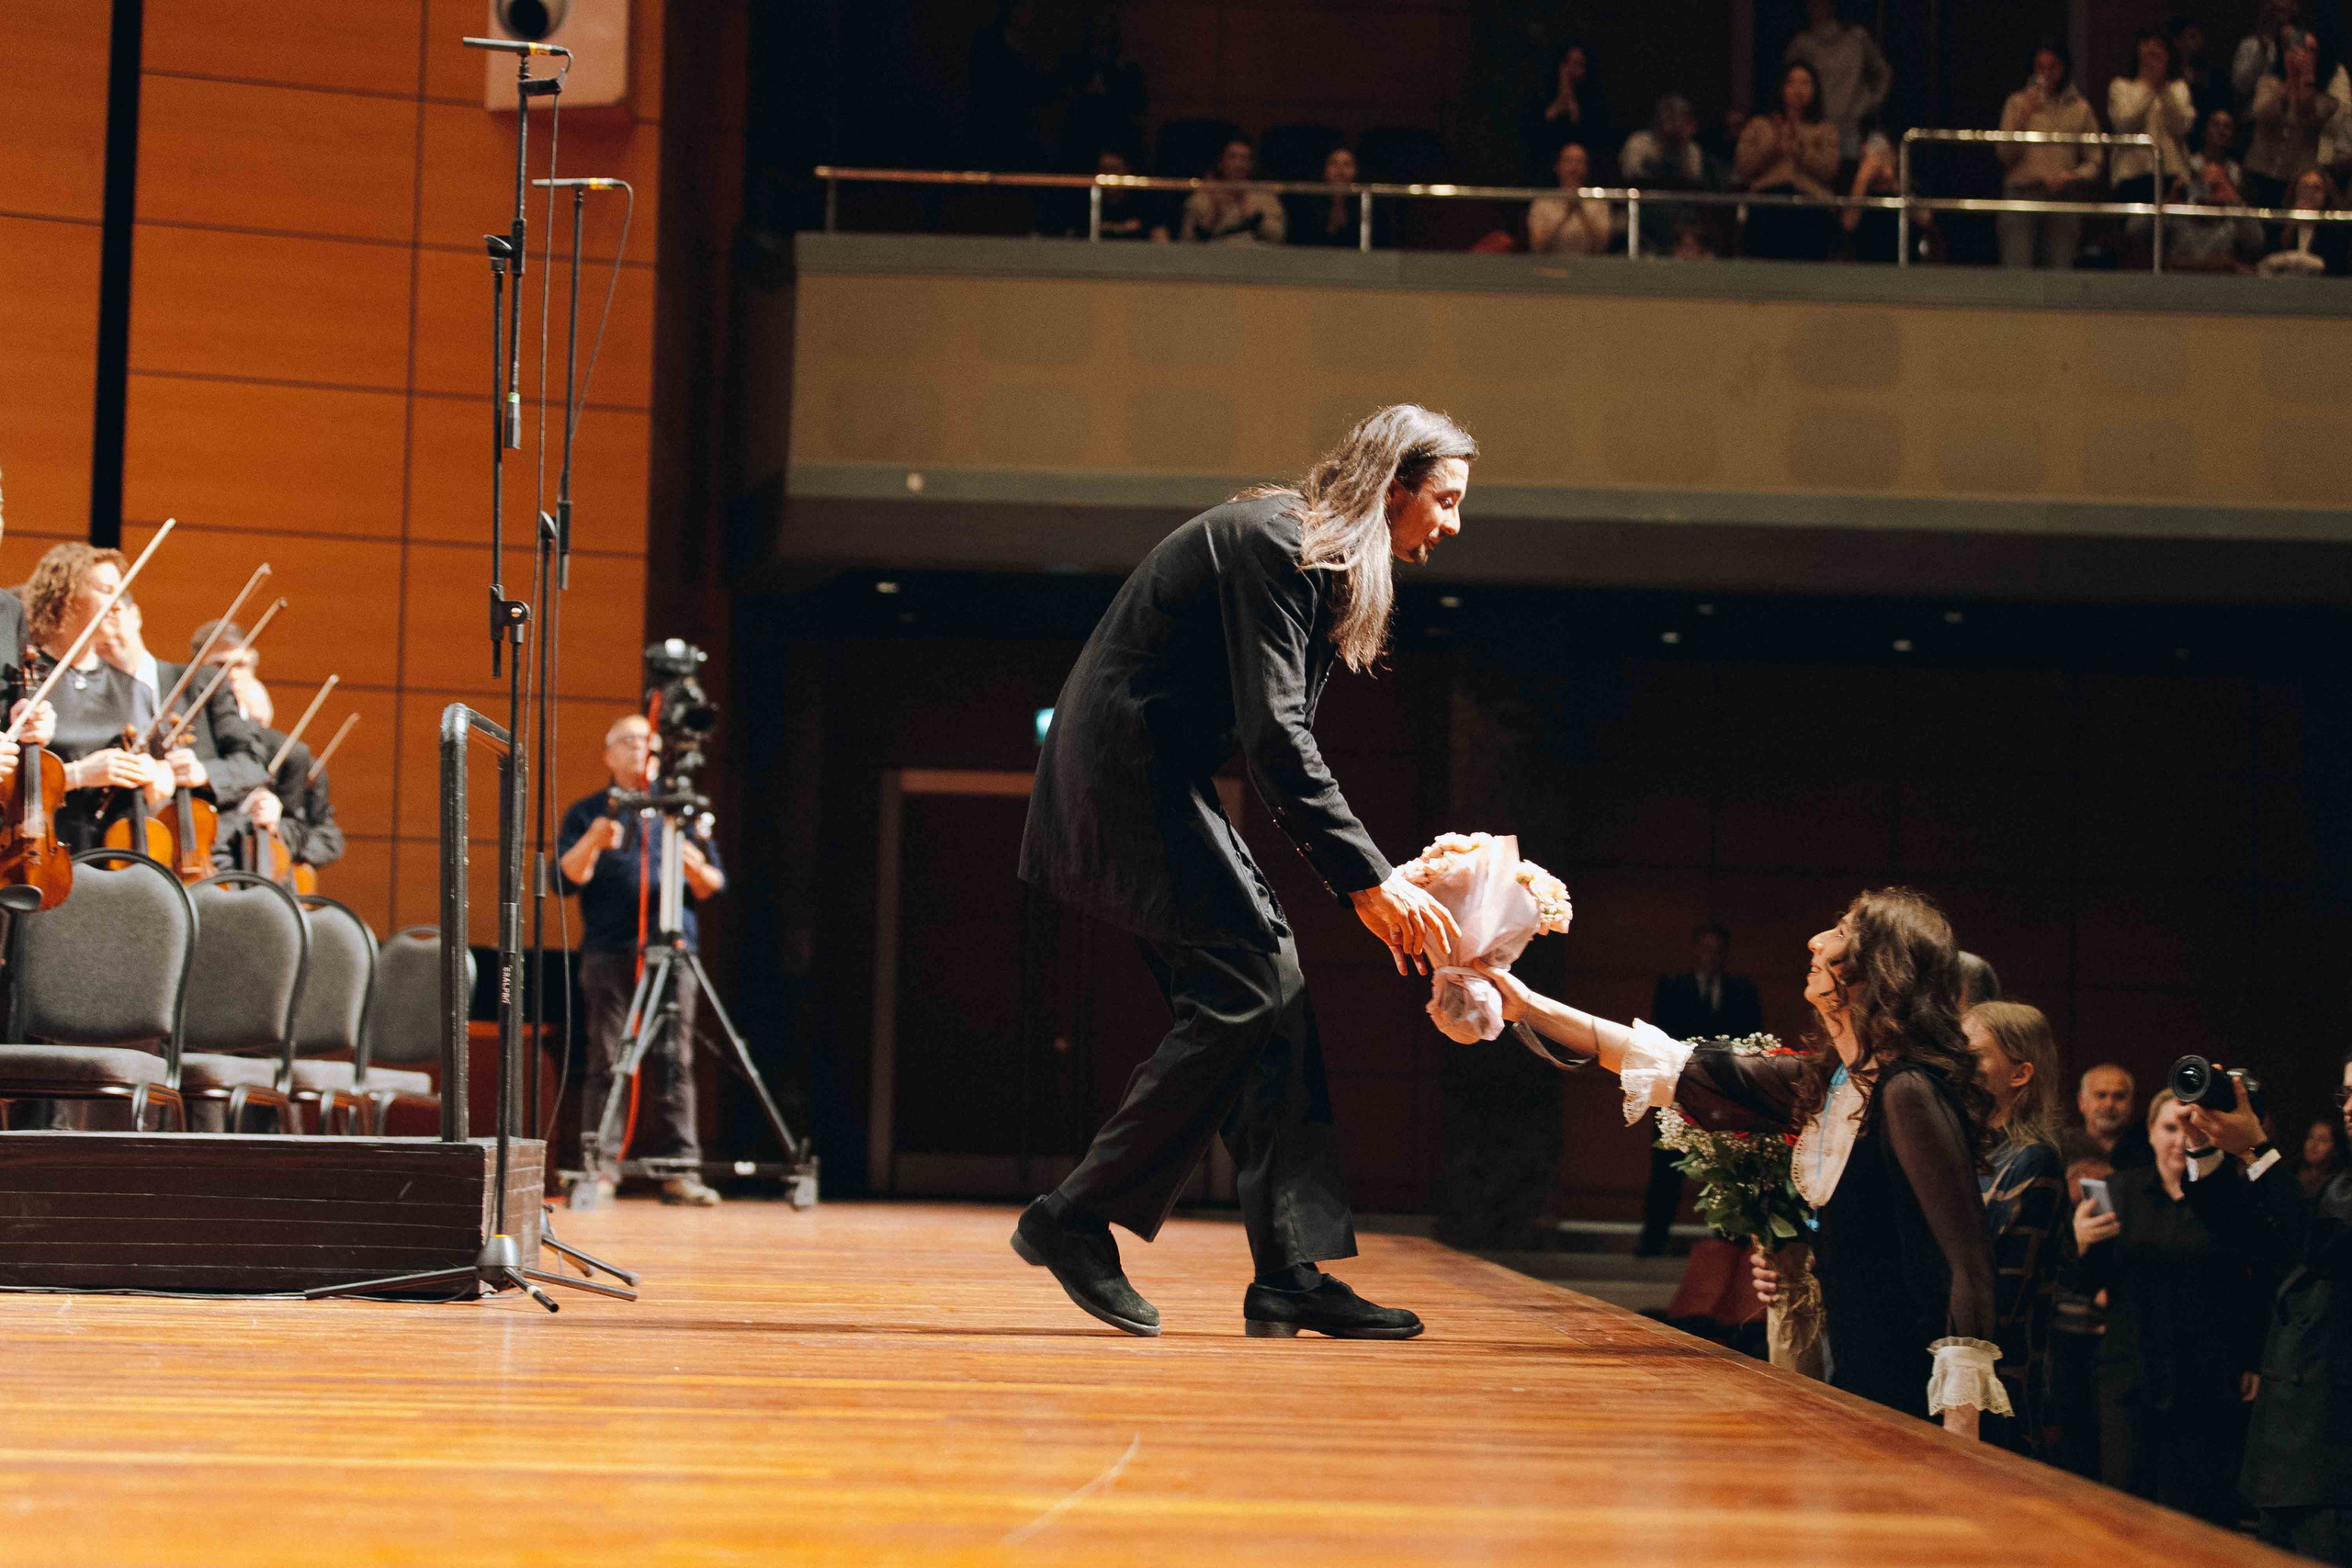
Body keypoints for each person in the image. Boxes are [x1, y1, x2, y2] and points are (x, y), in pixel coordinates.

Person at [1013, 404, 1474, 1340]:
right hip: (1124, 774)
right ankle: (1074, 1214)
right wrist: (1369, 880)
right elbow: (1277, 739)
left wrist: (1372, 877)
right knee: (1247, 988)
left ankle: (1290, 1274)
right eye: (1446, 499)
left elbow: (1276, 739)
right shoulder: (1279, 543)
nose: (1454, 524)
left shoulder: (1312, 556)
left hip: (1159, 775)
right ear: (1394, 487)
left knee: (1276, 994)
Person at [1479, 888, 2007, 1434]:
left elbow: (1964, 1259)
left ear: (1878, 969)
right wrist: (1525, 1004)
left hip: (1911, 1386)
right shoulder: (1836, 1081)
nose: (1815, 941)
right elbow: (1671, 1063)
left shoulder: (1908, 1090)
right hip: (1862, 1374)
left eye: (1841, 932)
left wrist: (1961, 1425)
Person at [2181, 1054, 2352, 1562]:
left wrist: (2257, 1148)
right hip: (2290, 1451)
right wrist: (2204, 1150)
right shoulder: (2340, 1185)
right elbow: (2255, 1241)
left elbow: (2328, 1250)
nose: (2349, 1108)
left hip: (2338, 1456)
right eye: (2346, 1094)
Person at [2070, 1089, 2267, 1526]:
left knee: (2195, 1514)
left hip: (2204, 1375)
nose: (2180, 1139)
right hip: (2129, 1370)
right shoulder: (2117, 1190)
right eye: (2170, 1128)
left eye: (2192, 1129)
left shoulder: (2229, 1196)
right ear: (2151, 1133)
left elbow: (2250, 1285)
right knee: (2121, 1508)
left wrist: (2251, 1358)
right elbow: (2088, 1282)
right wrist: (2079, 1244)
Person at [556, 714, 727, 1208]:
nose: (639, 750)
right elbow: (563, 879)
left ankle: (678, 1170)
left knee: (675, 1059)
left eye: (647, 742)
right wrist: (593, 841)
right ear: (608, 755)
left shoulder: (679, 812)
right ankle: (601, 1167)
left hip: (674, 953)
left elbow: (713, 885)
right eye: (628, 741)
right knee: (607, 1058)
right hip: (611, 951)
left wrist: (696, 866)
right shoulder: (589, 811)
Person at [1962, 999, 2067, 1457]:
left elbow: (2001, 1294)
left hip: (1998, 1384)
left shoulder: (2034, 1160)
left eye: (1975, 1054)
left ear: (2020, 1074)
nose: (1959, 1063)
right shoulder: (1969, 1147)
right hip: (1954, 1364)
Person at [20, 545, 174, 852]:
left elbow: (163, 769)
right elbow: (11, 780)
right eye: (106, 590)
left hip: (119, 854)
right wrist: (78, 775)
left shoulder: (133, 689)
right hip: (43, 849)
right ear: (65, 598)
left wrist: (157, 776)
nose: (118, 605)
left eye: (121, 592)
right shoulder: (25, 679)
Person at [1637, 922, 1764, 1257]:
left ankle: (1729, 1242)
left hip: (1726, 1094)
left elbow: (1751, 1042)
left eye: (1718, 950)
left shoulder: (1742, 991)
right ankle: (1653, 1240)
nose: (1711, 956)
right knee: (1666, 1167)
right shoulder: (1672, 987)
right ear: (1695, 950)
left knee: (1726, 1166)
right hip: (1678, 1090)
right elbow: (1659, 1036)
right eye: (1706, 949)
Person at [1998, 43, 2103, 270]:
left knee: (2060, 273)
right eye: (2040, 67)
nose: (2046, 74)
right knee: (2016, 272)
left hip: (2063, 197)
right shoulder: (2017, 103)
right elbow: (2004, 155)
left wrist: (2073, 176)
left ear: (2064, 68)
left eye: (2052, 67)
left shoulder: (2080, 108)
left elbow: (2095, 161)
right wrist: (2024, 115)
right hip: (2022, 195)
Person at [1736, 62, 1842, 261]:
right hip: (1767, 206)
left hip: (1811, 207)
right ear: (1781, 87)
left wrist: (1800, 146)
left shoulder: (1825, 130)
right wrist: (1774, 143)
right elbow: (1744, 167)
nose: (1798, 90)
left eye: (1805, 83)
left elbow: (1830, 170)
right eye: (1791, 83)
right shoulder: (1760, 125)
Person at [1783, 0, 1891, 162]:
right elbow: (1787, 80)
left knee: (1851, 170)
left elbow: (1883, 73)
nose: (1817, 7)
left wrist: (1868, 103)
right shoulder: (1802, 44)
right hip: (1815, 126)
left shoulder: (1857, 37)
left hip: (1851, 125)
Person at [2246, 27, 2338, 208]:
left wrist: (2306, 77)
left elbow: (2309, 117)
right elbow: (2262, 112)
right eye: (2300, 48)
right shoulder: (2269, 84)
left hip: (2295, 179)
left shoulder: (2326, 98)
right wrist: (2290, 76)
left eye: (2311, 50)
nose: (2304, 55)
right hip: (2259, 171)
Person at [1620, 93, 1720, 254]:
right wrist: (1663, 147)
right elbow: (1632, 176)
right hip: (1644, 204)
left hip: (1680, 206)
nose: (1674, 123)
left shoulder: (1691, 150)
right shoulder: (1638, 142)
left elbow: (1692, 184)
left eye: (1680, 117)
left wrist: (1680, 145)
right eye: (1669, 117)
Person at [2108, 28, 2194, 211]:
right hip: (2132, 175)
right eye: (2149, 54)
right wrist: (2149, 85)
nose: (2153, 59)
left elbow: (2182, 127)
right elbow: (2123, 123)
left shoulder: (2178, 88)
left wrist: (2162, 87)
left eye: (2158, 53)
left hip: (2171, 175)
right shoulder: (2121, 86)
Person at [2174, 109, 2268, 269]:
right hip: (2183, 257)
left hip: (2223, 262)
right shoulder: (2183, 168)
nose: (2221, 131)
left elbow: (2256, 239)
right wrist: (2171, 197)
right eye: (2216, 125)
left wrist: (2232, 197)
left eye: (2227, 127)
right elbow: (2139, 228)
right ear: (2204, 131)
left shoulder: (2240, 177)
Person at [1521, 41, 1611, 184]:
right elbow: (1532, 134)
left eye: (1578, 64)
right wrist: (1560, 103)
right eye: (1568, 63)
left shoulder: (1593, 102)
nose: (1571, 71)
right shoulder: (1540, 98)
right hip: (1544, 174)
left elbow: (1596, 138)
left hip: (1585, 175)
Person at [1180, 137, 1285, 244]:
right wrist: (1214, 209)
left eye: (1243, 159)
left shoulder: (1265, 196)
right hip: (1214, 252)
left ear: (1251, 165)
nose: (1238, 164)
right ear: (1221, 163)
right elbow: (1187, 240)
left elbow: (1277, 236)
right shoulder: (1202, 197)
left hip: (1253, 252)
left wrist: (1250, 211)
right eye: (1231, 157)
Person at [1527, 141, 1614, 255]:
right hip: (1551, 264)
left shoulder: (1598, 201)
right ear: (1557, 166)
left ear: (1586, 168)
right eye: (1568, 161)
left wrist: (1581, 211)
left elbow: (1602, 246)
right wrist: (1566, 213)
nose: (1574, 168)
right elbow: (1537, 246)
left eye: (1579, 162)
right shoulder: (1542, 202)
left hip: (1589, 263)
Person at [2258, 164, 2348, 272]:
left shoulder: (2335, 227)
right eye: (2304, 187)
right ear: (2295, 190)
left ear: (2326, 194)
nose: (2309, 193)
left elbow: (2338, 265)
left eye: (2316, 188)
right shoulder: (2278, 221)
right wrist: (2290, 227)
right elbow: (2266, 259)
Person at [2064, 1062, 2154, 1170]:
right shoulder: (2061, 1148)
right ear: (2081, 1101)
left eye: (2119, 1096)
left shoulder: (2150, 1147)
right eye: (2101, 1095)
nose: (2109, 1104)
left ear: (2131, 1103)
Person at [2236, 0, 2303, 118]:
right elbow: (2240, 84)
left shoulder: (2299, 41)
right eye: (2278, 10)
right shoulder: (2252, 44)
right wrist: (2262, 52)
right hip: (2256, 115)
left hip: (2290, 115)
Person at [1290, 144, 1362, 249]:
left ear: (1356, 170)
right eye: (1334, 163)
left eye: (1347, 164)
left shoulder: (1365, 202)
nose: (1340, 170)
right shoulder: (1307, 202)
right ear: (1324, 169)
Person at [2304, 1112, 2349, 1197]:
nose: (2313, 1145)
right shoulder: (2292, 1176)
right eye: (2311, 1137)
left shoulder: (2340, 1187)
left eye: (2323, 1140)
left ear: (2335, 1149)